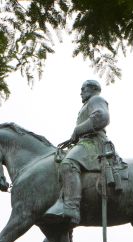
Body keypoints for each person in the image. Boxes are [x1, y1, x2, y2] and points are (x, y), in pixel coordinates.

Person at [44, 79, 110, 224]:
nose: (80, 93)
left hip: (94, 143)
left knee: (68, 164)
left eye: (83, 89)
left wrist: (78, 130)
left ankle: (71, 207)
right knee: (58, 163)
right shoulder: (87, 105)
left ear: (93, 89)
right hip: (84, 142)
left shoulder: (96, 99)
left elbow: (102, 117)